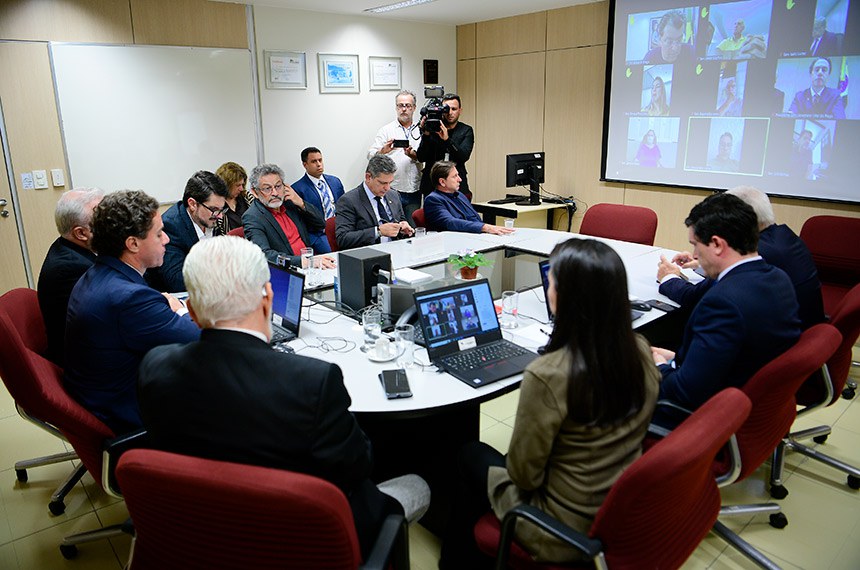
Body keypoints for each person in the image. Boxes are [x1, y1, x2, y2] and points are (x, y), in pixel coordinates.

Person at [138, 236, 429, 559]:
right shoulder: (313, 382)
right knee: (417, 486)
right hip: (304, 541)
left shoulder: (155, 367)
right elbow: (359, 465)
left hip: (203, 533)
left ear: (191, 312)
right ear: (268, 298)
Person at [439, 238, 660, 567]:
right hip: (614, 506)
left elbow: (523, 476)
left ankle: (458, 561)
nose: (548, 288)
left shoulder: (549, 375)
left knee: (470, 453)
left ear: (566, 297)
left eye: (551, 281)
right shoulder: (638, 348)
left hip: (558, 527)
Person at [651, 193, 801, 428]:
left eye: (695, 245)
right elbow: (735, 356)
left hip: (704, 420)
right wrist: (675, 359)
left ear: (717, 244)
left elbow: (683, 393)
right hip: (749, 403)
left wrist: (659, 367)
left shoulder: (723, 303)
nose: (695, 255)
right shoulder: (778, 278)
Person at [64, 190, 200, 433]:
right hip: (129, 414)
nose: (167, 239)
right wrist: (180, 311)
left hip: (106, 396)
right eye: (158, 233)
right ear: (133, 243)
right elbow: (200, 340)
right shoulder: (129, 299)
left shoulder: (98, 274)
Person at [658, 186, 825, 329]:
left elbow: (694, 298)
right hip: (800, 334)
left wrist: (669, 277)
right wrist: (703, 262)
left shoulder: (754, 255)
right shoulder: (785, 237)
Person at [37, 188, 104, 366]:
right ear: (80, 233)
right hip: (86, 363)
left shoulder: (68, 246)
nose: (113, 223)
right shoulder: (72, 269)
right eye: (104, 220)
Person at [147, 170, 228, 293]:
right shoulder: (171, 226)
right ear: (192, 204)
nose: (220, 216)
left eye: (222, 209)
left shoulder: (210, 218)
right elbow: (177, 281)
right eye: (214, 209)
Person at [243, 163, 335, 268]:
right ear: (255, 192)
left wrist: (301, 203)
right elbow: (264, 255)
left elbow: (320, 224)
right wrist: (301, 262)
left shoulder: (290, 203)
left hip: (311, 265)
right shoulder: (253, 217)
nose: (275, 193)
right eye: (267, 188)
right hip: (286, 270)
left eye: (278, 186)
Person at [335, 153, 414, 250]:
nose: (387, 188)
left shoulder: (393, 195)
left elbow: (401, 219)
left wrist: (403, 226)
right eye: (383, 183)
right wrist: (378, 232)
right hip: (368, 254)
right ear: (368, 177)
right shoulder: (349, 201)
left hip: (396, 249)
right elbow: (343, 238)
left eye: (390, 182)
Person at [368, 90, 423, 221]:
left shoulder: (421, 130)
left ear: (414, 108)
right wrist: (383, 151)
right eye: (400, 105)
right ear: (396, 107)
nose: (404, 109)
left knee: (411, 227)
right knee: (392, 226)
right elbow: (370, 155)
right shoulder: (386, 130)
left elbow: (427, 156)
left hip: (414, 189)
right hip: (391, 190)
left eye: (408, 105)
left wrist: (413, 155)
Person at [423, 161, 514, 235]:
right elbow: (450, 222)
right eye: (455, 176)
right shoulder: (433, 200)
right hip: (457, 242)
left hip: (478, 236)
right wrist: (486, 227)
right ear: (442, 182)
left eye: (458, 175)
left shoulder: (460, 195)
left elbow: (475, 218)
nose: (460, 179)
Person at [417, 93, 475, 200]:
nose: (450, 112)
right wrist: (426, 135)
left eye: (454, 109)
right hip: (432, 185)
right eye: (447, 109)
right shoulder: (432, 128)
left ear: (460, 110)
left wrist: (447, 140)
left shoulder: (466, 130)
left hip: (457, 185)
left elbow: (463, 157)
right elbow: (421, 157)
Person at [290, 146, 345, 254]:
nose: (319, 164)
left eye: (320, 160)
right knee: (331, 254)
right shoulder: (297, 189)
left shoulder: (335, 181)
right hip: (319, 234)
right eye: (314, 161)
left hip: (340, 229)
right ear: (305, 164)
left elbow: (344, 206)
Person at [214, 161, 253, 236]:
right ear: (226, 185)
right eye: (238, 185)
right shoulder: (216, 207)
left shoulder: (247, 198)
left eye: (242, 184)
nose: (241, 189)